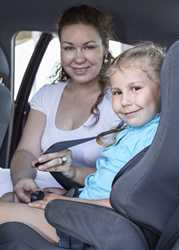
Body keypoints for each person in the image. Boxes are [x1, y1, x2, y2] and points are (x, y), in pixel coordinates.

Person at [0, 41, 164, 245]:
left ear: (162, 89)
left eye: (135, 88)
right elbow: (111, 178)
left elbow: (129, 204)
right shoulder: (131, 131)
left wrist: (65, 202)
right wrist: (73, 174)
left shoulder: (154, 139)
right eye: (117, 92)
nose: (124, 101)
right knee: (9, 197)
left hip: (93, 225)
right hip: (84, 208)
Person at [0, 5, 120, 201]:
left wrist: (74, 184)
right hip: (31, 187)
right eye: (69, 48)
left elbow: (121, 177)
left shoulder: (121, 101)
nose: (78, 58)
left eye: (89, 47)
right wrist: (22, 180)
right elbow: (26, 151)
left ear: (105, 48)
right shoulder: (47, 95)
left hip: (81, 197)